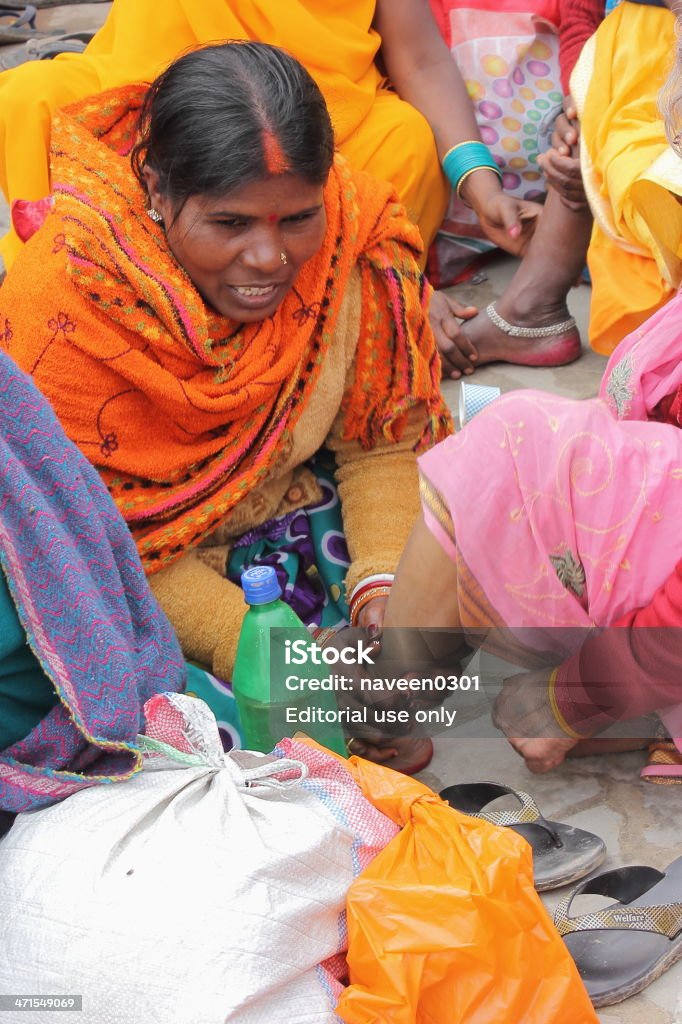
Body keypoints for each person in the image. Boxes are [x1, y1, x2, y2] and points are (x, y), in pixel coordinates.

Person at [0, 41, 453, 773]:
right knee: (183, 735)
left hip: (302, 529)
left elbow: (381, 444)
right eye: (231, 224)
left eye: (296, 218)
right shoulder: (65, 310)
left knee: (476, 563)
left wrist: (383, 600)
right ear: (155, 187)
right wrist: (268, 649)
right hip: (136, 591)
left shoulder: (351, 242)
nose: (271, 258)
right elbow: (89, 553)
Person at [0, 0, 538, 282]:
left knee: (405, 143)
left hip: (312, 131)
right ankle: (66, 299)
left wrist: (479, 183)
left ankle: (338, 315)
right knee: (29, 97)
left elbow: (420, 60)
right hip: (147, 110)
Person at [0, 346, 188, 822]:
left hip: (133, 696)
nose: (270, 264)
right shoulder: (63, 336)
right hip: (38, 771)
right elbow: (156, 549)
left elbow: (113, 562)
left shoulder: (11, 403)